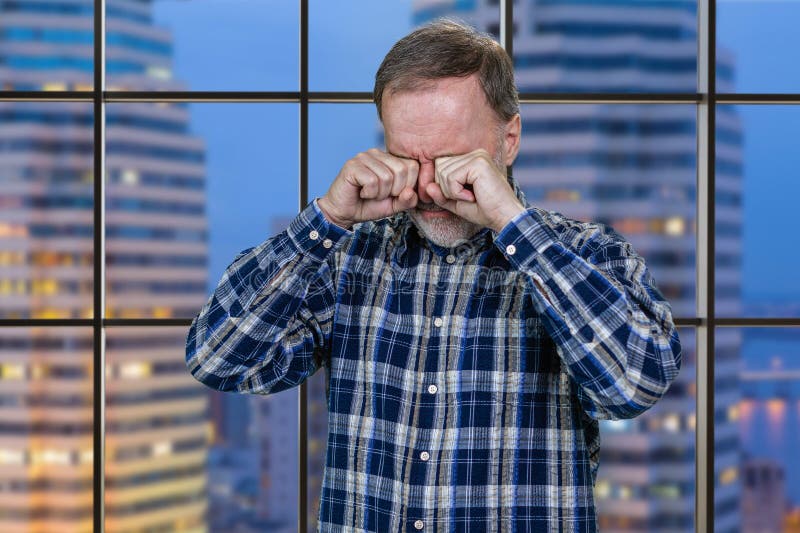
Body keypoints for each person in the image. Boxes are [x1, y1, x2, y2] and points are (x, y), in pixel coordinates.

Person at [185, 19, 681, 532]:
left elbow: (633, 386)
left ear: (508, 140)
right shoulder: (347, 257)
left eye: (450, 158)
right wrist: (327, 220)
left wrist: (516, 228)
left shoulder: (587, 254)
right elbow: (217, 360)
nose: (427, 187)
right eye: (406, 158)